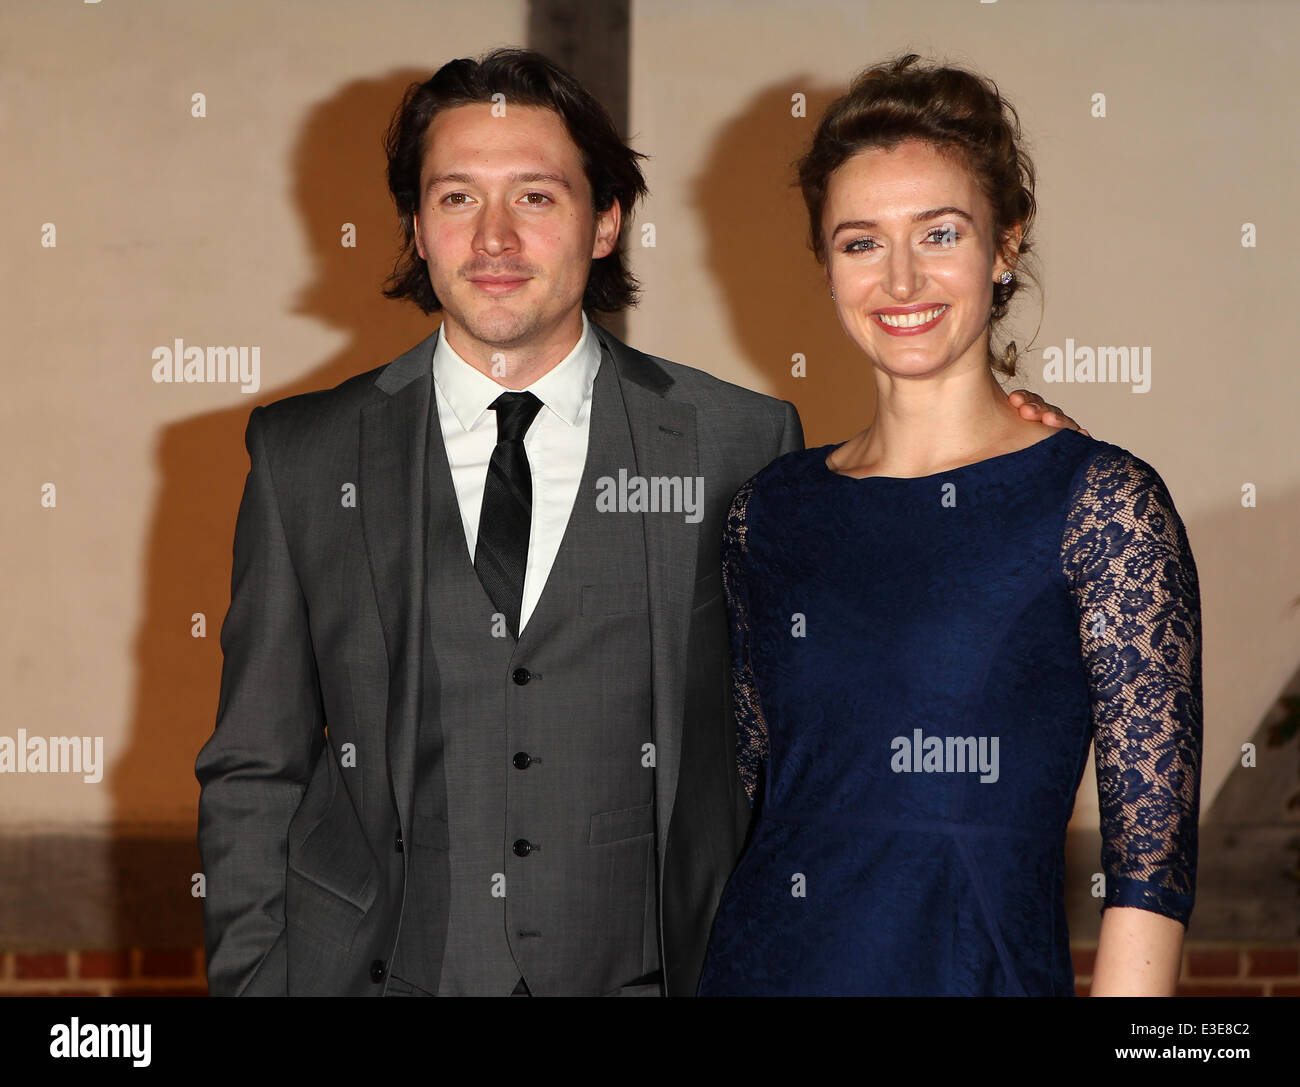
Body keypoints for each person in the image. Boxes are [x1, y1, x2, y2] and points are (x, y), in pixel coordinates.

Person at [195, 48, 1079, 997]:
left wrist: (1014, 454)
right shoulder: (304, 455)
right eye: (456, 198)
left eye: (536, 197)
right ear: (417, 225)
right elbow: (255, 764)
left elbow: (854, 657)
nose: (494, 238)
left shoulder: (739, 443)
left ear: (606, 220)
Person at [697, 54, 1202, 997]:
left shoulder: (1101, 507)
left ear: (1005, 244)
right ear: (825, 263)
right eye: (859, 242)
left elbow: (1150, 863)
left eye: (938, 233)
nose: (900, 278)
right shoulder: (767, 513)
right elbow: (763, 799)